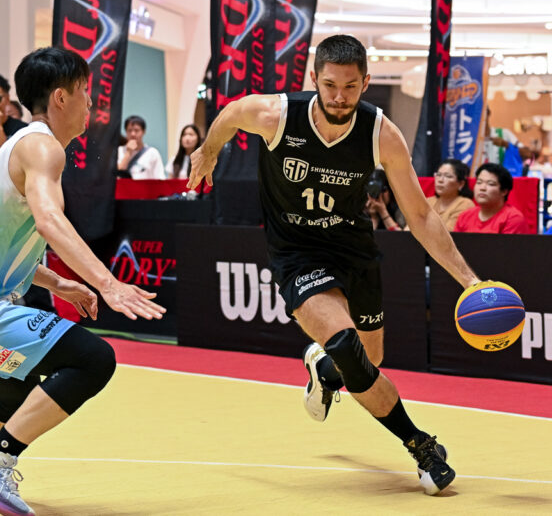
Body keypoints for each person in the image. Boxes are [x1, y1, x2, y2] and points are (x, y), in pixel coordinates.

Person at [189, 34, 488, 497]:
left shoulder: (380, 133)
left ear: (366, 83)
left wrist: (469, 281)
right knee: (348, 346)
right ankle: (422, 445)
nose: (339, 97)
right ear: (314, 79)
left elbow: (421, 215)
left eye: (350, 87)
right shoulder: (275, 116)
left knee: (369, 361)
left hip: (353, 250)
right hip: (297, 252)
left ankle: (324, 369)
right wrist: (209, 150)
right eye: (330, 85)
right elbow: (229, 116)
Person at [0, 48, 164, 515]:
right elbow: (50, 221)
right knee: (94, 360)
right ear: (60, 97)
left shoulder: (22, 148)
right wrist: (109, 284)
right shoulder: (42, 147)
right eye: (84, 92)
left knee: (18, 384)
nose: (91, 103)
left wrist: (59, 284)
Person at [454, 163, 531, 234]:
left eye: (490, 184)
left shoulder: (513, 218)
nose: (482, 188)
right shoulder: (465, 216)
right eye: (479, 182)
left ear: (504, 191)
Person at [415, 158, 475, 232]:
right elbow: (411, 226)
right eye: (438, 175)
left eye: (448, 176)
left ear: (461, 184)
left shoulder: (465, 204)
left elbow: (449, 233)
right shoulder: (428, 201)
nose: (440, 180)